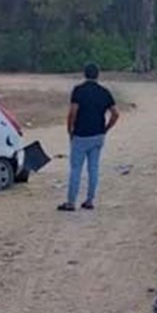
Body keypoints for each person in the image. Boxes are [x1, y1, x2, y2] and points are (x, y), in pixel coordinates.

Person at [58, 63, 120, 212]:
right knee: (93, 168)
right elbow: (115, 114)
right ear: (98, 74)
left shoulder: (79, 91)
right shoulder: (104, 92)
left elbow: (73, 112)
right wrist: (106, 128)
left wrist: (70, 130)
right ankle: (90, 200)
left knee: (76, 168)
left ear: (84, 74)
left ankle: (71, 202)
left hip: (81, 134)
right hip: (98, 134)